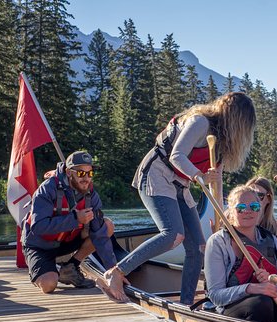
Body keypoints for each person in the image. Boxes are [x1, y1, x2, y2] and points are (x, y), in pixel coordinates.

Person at [103, 92, 256, 304]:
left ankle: (186, 304)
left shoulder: (221, 144)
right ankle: (117, 272)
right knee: (172, 234)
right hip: (157, 175)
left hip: (180, 185)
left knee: (199, 249)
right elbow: (176, 155)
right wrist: (199, 176)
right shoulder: (200, 122)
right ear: (237, 119)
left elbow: (216, 181)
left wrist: (222, 218)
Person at [21, 151, 127, 300]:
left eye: (90, 173)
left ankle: (70, 267)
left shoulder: (92, 195)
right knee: (49, 285)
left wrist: (114, 270)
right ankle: (43, 270)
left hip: (65, 241)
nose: (86, 178)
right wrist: (76, 219)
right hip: (39, 245)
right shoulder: (46, 189)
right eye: (81, 173)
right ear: (70, 173)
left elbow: (100, 236)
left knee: (107, 226)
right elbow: (38, 226)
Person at [204, 185, 277, 322]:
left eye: (254, 207)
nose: (248, 211)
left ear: (260, 210)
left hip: (270, 302)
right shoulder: (218, 242)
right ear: (230, 210)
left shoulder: (271, 239)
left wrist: (272, 283)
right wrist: (250, 288)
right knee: (262, 303)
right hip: (229, 308)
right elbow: (215, 296)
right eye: (241, 207)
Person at [246, 176, 277, 262]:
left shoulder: (276, 228)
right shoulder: (233, 224)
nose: (254, 200)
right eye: (249, 194)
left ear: (268, 198)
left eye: (259, 196)